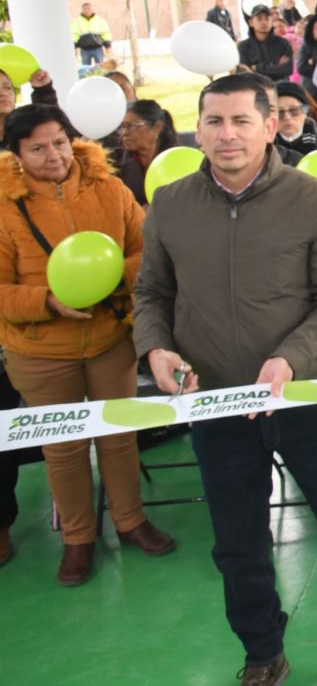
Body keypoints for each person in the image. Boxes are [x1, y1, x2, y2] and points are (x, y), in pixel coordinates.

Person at [134, 73, 317, 685]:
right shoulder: (172, 204)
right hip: (218, 405)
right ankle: (262, 653)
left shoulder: (312, 200)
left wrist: (292, 360)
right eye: (214, 122)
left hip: (306, 396)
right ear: (197, 129)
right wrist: (154, 348)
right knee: (237, 544)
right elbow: (151, 292)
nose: (227, 135)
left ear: (269, 127)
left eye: (241, 122)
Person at [0, 104, 175, 584]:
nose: (53, 155)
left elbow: (146, 252)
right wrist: (47, 300)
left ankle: (131, 520)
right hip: (39, 350)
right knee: (63, 445)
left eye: (59, 142)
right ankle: (78, 538)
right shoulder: (4, 204)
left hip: (108, 338)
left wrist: (113, 277)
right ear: (16, 154)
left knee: (119, 436)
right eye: (37, 148)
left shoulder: (109, 188)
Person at [112, 98, 179, 205]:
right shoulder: (113, 162)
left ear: (157, 127)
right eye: (122, 127)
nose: (125, 133)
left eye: (132, 126)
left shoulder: (176, 160)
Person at [274, 81, 317, 163]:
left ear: (306, 112)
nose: (287, 117)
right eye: (280, 112)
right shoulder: (263, 146)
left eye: (294, 110)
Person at [237, 1, 294, 81]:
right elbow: (245, 73)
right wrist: (275, 67)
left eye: (267, 19)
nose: (264, 22)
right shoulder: (243, 46)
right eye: (259, 19)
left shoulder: (283, 43)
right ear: (251, 22)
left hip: (281, 88)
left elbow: (287, 69)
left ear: (272, 22)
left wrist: (256, 67)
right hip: (256, 88)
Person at [69, 2, 113, 69]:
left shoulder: (99, 20)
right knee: (85, 68)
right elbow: (74, 34)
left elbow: (105, 33)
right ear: (82, 10)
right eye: (85, 9)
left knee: (101, 67)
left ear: (92, 9)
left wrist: (108, 46)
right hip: (84, 50)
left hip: (97, 48)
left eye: (88, 8)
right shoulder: (76, 21)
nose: (87, 10)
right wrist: (73, 46)